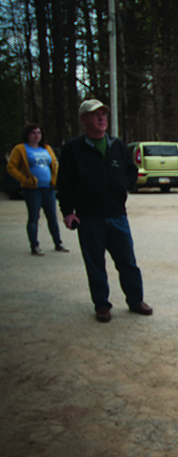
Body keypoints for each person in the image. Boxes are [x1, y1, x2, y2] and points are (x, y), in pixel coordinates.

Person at [57, 99, 152, 323]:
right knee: (95, 264)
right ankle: (102, 304)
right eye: (95, 114)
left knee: (127, 261)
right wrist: (68, 211)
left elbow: (131, 170)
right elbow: (64, 183)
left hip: (118, 215)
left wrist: (123, 185)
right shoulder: (73, 149)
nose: (102, 118)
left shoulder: (117, 145)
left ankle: (136, 300)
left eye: (104, 114)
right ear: (84, 119)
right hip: (89, 218)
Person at [6, 123, 69, 255]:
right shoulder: (20, 149)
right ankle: (34, 245)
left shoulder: (46, 148)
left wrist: (56, 179)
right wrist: (24, 179)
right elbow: (11, 167)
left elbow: (54, 164)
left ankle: (58, 242)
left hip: (48, 188)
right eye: (33, 133)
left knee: (52, 216)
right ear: (27, 134)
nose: (36, 135)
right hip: (32, 189)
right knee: (34, 217)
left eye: (39, 133)